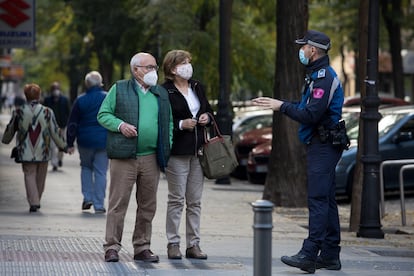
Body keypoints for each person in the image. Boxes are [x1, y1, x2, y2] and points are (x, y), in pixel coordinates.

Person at [252, 30, 345, 273]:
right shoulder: (316, 74)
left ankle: (309, 253)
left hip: (324, 145)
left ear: (313, 50)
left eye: (303, 47)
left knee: (317, 199)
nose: (301, 50)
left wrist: (280, 106)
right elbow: (308, 109)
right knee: (327, 199)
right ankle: (330, 254)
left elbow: (310, 114)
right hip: (320, 144)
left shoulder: (324, 77)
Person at [98, 52, 173, 263]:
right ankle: (111, 247)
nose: (153, 71)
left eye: (155, 67)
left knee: (148, 205)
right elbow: (103, 114)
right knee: (118, 203)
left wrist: (167, 142)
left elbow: (167, 122)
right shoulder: (120, 88)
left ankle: (142, 247)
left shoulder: (160, 93)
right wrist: (121, 126)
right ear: (136, 69)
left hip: (151, 157)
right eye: (149, 67)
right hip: (124, 157)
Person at [161, 50, 213, 260]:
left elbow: (209, 111)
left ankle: (194, 245)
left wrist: (206, 118)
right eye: (184, 63)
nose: (188, 66)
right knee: (176, 200)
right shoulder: (165, 91)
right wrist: (182, 124)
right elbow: (163, 121)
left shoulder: (197, 87)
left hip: (198, 151)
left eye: (189, 62)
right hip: (178, 152)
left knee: (195, 201)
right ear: (173, 68)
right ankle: (173, 243)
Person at [2, 83, 68, 212]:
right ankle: (36, 199)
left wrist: (5, 140)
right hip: (44, 150)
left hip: (25, 150)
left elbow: (10, 129)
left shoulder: (19, 111)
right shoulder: (48, 112)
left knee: (29, 174)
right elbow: (55, 131)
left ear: (26, 96)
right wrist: (64, 146)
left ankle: (34, 200)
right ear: (39, 95)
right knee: (41, 177)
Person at [66, 71, 108, 214]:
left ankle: (87, 198)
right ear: (100, 83)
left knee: (86, 168)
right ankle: (99, 204)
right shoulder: (108, 98)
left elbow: (72, 123)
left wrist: (70, 143)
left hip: (84, 141)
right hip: (103, 141)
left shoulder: (80, 100)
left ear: (87, 84)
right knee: (101, 172)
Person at [43, 82, 71, 171]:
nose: (56, 90)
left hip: (62, 126)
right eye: (54, 89)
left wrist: (68, 123)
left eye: (57, 88)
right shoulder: (47, 100)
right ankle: (54, 163)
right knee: (52, 146)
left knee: (61, 145)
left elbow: (68, 112)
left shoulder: (64, 100)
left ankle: (60, 159)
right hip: (50, 127)